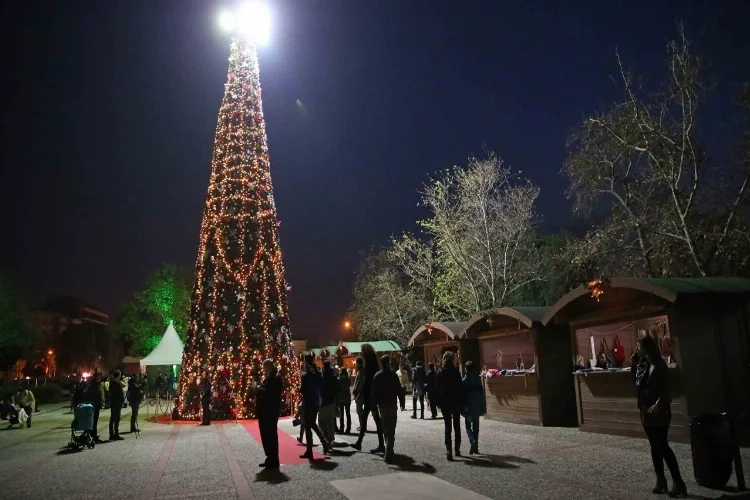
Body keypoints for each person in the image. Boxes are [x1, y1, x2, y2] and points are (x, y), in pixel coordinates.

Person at [632, 335, 687, 497]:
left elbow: (667, 389)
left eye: (639, 347)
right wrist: (635, 365)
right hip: (645, 410)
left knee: (662, 445)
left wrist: (659, 404)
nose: (637, 349)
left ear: (646, 348)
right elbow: (638, 384)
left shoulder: (660, 366)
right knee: (654, 447)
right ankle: (661, 480)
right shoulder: (647, 364)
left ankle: (678, 482)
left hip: (658, 411)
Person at [351, 344, 385, 453]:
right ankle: (361, 443)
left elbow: (368, 380)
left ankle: (378, 444)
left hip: (370, 395)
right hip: (372, 394)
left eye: (362, 351)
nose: (361, 353)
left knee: (373, 418)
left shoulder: (369, 363)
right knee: (369, 418)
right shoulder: (373, 362)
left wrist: (362, 393)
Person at [372, 354, 401, 463]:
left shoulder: (377, 376)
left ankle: (388, 449)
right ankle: (389, 451)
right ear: (388, 363)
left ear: (381, 363)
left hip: (382, 405)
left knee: (385, 428)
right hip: (392, 404)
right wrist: (402, 401)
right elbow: (399, 389)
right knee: (391, 428)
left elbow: (374, 393)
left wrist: (373, 408)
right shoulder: (393, 375)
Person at [254, 359, 282, 469]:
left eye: (265, 368)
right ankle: (269, 458)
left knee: (270, 435)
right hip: (265, 411)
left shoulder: (275, 378)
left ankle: (273, 459)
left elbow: (271, 393)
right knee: (266, 435)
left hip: (270, 411)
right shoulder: (270, 377)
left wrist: (259, 389)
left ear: (269, 367)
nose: (264, 370)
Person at [300, 354, 329, 458]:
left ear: (306, 362)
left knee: (309, 425)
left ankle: (312, 448)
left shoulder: (305, 375)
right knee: (311, 423)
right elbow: (320, 384)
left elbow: (303, 389)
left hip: (308, 401)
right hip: (316, 400)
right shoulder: (316, 373)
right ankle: (312, 448)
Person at [436, 351, 464, 460]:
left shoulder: (441, 371)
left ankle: (449, 450)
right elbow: (460, 387)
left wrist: (438, 402)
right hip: (455, 401)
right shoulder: (456, 371)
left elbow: (437, 388)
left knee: (448, 425)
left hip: (445, 401)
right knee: (457, 425)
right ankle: (457, 448)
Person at [462, 361, 483, 455]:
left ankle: (472, 440)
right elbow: (481, 393)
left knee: (467, 425)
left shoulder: (465, 380)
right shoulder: (478, 379)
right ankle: (476, 447)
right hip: (477, 406)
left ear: (466, 368)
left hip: (469, 406)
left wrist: (463, 407)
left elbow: (462, 395)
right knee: (476, 426)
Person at [319, 361, 338, 444]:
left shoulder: (323, 377)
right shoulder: (333, 377)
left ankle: (326, 436)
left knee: (320, 421)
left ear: (324, 366)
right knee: (330, 421)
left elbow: (320, 389)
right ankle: (330, 437)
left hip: (324, 402)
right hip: (332, 401)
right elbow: (338, 389)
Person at [85, 372, 105, 442]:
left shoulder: (97, 385)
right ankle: (93, 436)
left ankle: (92, 434)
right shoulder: (93, 386)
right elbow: (93, 395)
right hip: (94, 406)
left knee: (94, 421)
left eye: (100, 377)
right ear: (95, 378)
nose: (100, 379)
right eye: (99, 377)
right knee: (93, 421)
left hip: (96, 405)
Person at [109, 370, 125, 440]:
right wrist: (122, 401)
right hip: (117, 403)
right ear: (118, 375)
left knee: (112, 418)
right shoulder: (117, 383)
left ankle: (111, 434)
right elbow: (120, 393)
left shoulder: (111, 383)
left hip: (112, 403)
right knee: (117, 418)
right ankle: (116, 433)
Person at [337, 367, 352, 434]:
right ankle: (348, 429)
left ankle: (341, 428)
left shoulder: (338, 379)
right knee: (348, 414)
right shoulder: (348, 379)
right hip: (347, 398)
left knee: (341, 414)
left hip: (340, 398)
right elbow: (349, 385)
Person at [352, 356, 365, 432]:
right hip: (359, 393)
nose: (355, 364)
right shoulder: (360, 371)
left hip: (360, 393)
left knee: (359, 410)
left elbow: (360, 383)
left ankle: (362, 425)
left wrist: (356, 390)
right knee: (359, 410)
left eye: (356, 363)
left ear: (359, 363)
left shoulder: (361, 371)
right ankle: (362, 425)